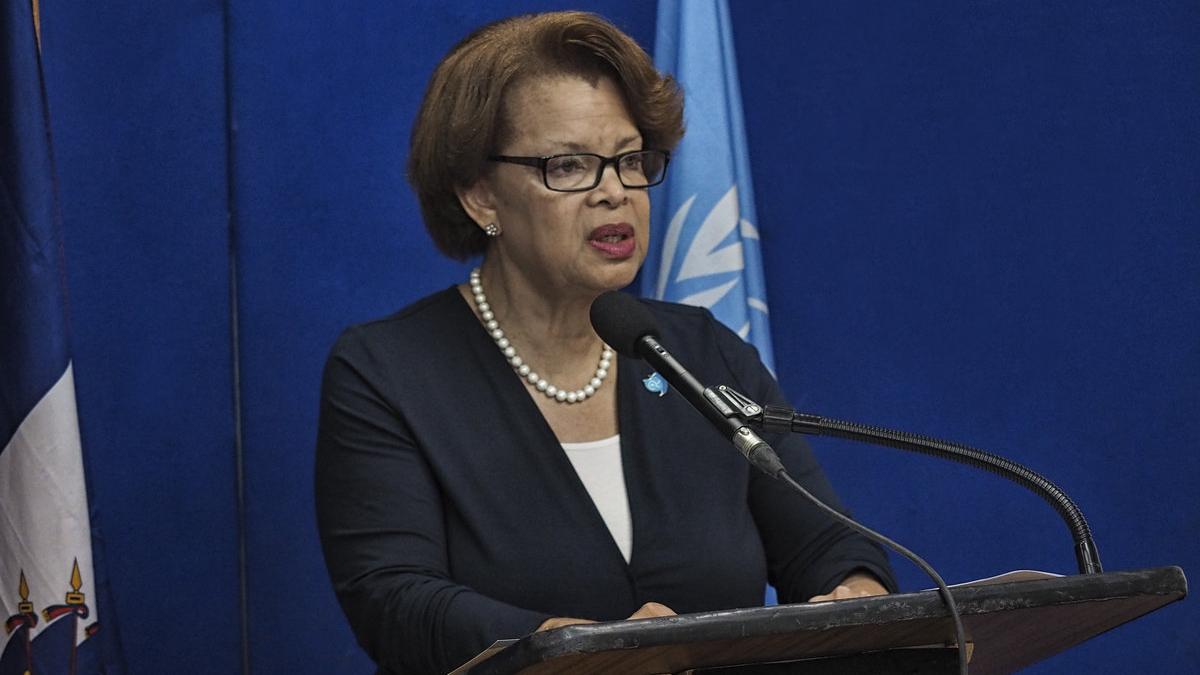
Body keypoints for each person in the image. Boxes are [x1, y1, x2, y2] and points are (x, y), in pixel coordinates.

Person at [315, 11, 895, 674]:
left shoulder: (700, 352)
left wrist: (857, 594)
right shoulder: (388, 373)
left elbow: (826, 545)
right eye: (569, 166)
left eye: (630, 159)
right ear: (480, 195)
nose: (615, 192)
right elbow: (393, 600)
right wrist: (576, 651)